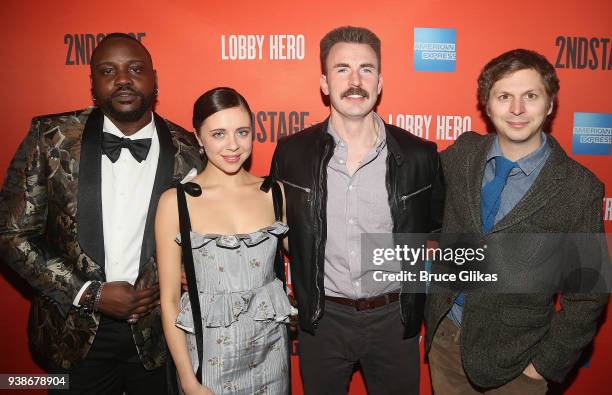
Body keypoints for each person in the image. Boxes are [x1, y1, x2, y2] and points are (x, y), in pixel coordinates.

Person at [0, 33, 202, 394]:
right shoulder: (52, 138)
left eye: (135, 69)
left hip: (160, 336)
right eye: (108, 70)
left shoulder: (189, 149)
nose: (123, 79)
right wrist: (89, 293)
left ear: (154, 79)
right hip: (72, 330)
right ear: (92, 83)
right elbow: (11, 234)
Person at [270, 26, 444, 394]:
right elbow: (276, 232)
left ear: (380, 82)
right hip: (322, 319)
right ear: (323, 82)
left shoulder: (419, 155)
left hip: (393, 319)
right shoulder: (291, 153)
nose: (354, 81)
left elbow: (435, 230)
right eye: (341, 69)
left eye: (366, 69)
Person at [424, 49, 609, 394]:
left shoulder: (579, 187)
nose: (517, 109)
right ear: (487, 105)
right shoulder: (463, 154)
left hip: (517, 361)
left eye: (531, 96)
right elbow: (412, 178)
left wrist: (543, 366)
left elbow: (588, 293)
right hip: (447, 342)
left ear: (550, 104)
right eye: (504, 96)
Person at [156, 87, 294, 395]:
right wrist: (188, 380)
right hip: (209, 362)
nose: (233, 145)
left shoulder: (274, 193)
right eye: (219, 134)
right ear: (199, 137)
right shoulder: (176, 203)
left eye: (242, 132)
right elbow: (169, 301)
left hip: (271, 357)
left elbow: (304, 257)